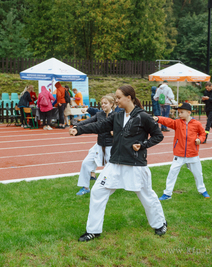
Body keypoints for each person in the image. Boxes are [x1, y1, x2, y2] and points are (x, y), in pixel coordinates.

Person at [69, 85, 167, 242]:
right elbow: (99, 126)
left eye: (118, 97)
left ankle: (160, 223)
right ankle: (93, 231)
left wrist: (143, 145)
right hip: (114, 163)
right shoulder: (117, 116)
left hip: (136, 164)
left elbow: (158, 135)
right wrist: (78, 129)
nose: (116, 100)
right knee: (97, 191)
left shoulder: (143, 117)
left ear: (129, 98)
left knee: (147, 196)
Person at [154, 102, 210, 201]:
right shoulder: (177, 123)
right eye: (178, 112)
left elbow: (202, 134)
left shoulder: (197, 124)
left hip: (193, 154)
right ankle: (167, 193)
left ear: (189, 112)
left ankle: (202, 190)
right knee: (172, 173)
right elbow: (168, 121)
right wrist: (158, 118)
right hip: (179, 155)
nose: (179, 114)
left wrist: (200, 140)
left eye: (181, 112)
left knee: (198, 174)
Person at [74, 94, 116, 196]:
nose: (103, 105)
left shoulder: (116, 116)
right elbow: (88, 122)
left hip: (111, 147)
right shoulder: (99, 115)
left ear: (111, 104)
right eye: (102, 103)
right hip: (99, 145)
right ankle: (85, 187)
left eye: (105, 103)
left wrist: (115, 132)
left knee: (111, 169)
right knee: (86, 163)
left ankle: (110, 187)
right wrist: (76, 126)